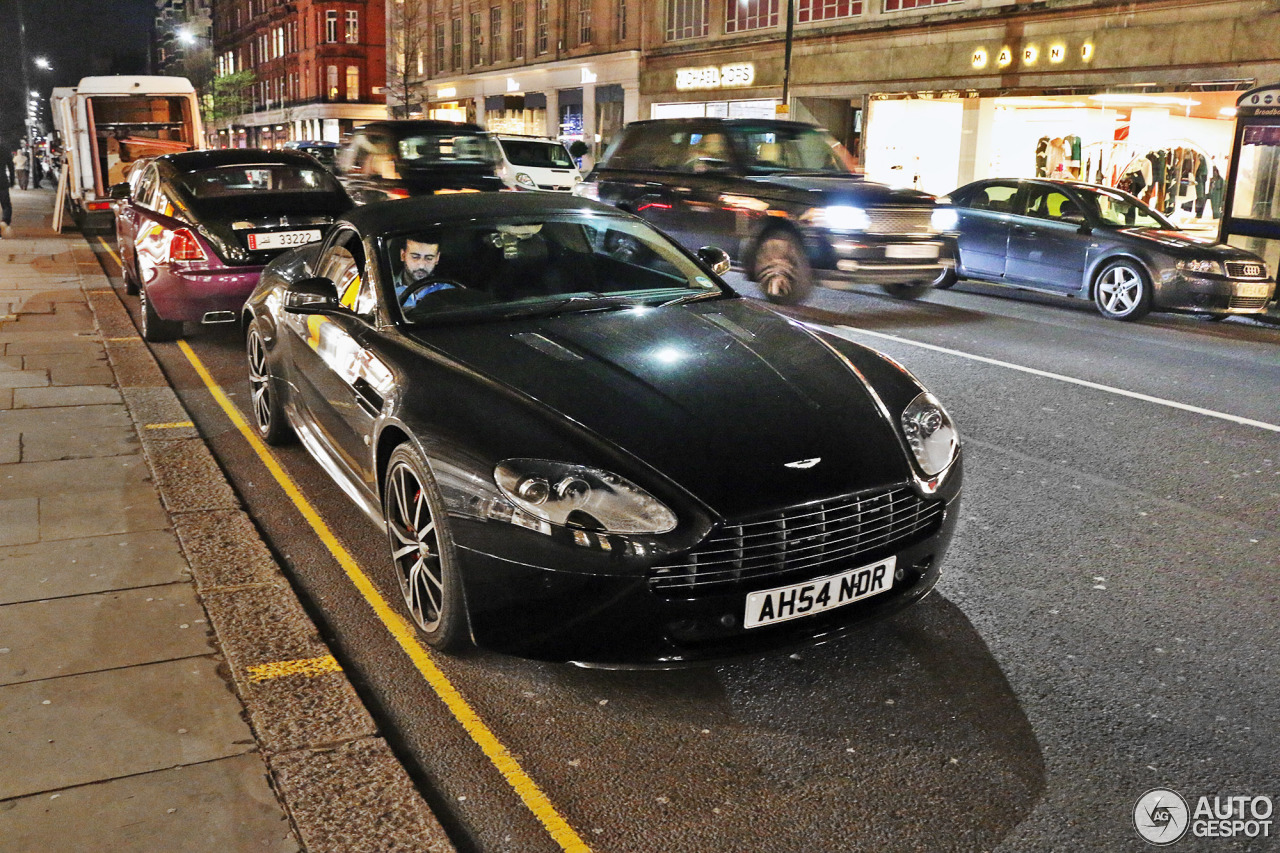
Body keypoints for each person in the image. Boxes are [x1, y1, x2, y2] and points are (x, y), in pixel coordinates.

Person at [394, 238, 456, 308]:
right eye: (415, 257)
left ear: (437, 258)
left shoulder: (449, 292)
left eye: (429, 258)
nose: (422, 266)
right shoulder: (384, 288)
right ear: (403, 255)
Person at [0, 163, 13, 238]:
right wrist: (12, 180)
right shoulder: (5, 151)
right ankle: (4, 224)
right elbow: (11, 166)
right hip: (2, 182)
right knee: (6, 206)